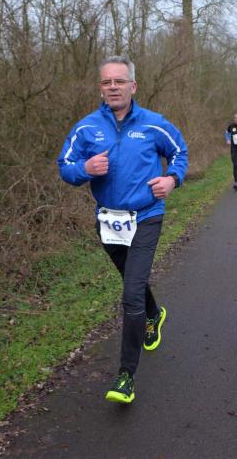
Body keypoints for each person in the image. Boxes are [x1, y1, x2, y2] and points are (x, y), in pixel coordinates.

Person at [57, 55, 188, 404]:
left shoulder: (153, 124)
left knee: (130, 293)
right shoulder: (86, 128)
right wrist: (84, 168)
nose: (113, 87)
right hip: (109, 221)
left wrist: (172, 179)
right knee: (133, 279)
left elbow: (179, 152)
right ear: (100, 88)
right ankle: (154, 314)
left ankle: (126, 376)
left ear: (133, 86)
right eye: (106, 82)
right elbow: (65, 167)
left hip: (146, 215)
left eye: (119, 81)